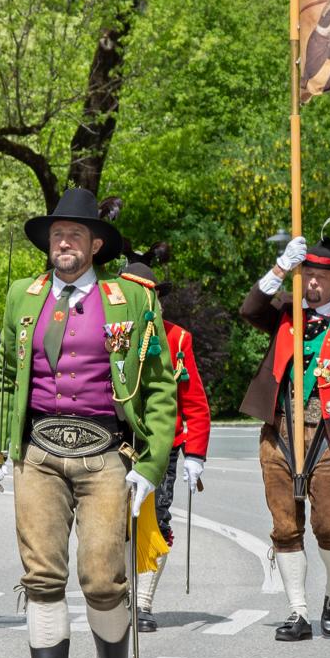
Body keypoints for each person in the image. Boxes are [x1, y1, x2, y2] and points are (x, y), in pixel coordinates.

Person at [0, 189, 179, 658]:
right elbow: (3, 374)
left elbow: (162, 385)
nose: (62, 243)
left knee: (101, 579)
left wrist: (152, 462)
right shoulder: (24, 295)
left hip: (106, 455)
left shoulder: (132, 301)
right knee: (42, 579)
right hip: (38, 452)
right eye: (56, 234)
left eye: (74, 235)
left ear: (95, 245)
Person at [239, 221, 330, 641]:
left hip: (327, 434)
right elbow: (249, 309)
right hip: (279, 429)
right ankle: (298, 611)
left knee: (329, 524)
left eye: (321, 276)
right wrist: (281, 268)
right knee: (284, 525)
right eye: (308, 274)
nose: (313, 283)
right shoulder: (285, 311)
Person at [119, 260, 212, 632]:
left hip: (161, 446)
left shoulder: (176, 339)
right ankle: (115, 594)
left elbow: (194, 401)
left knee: (154, 518)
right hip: (112, 440)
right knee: (111, 522)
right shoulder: (107, 330)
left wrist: (195, 454)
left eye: (148, 294)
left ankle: (142, 601)